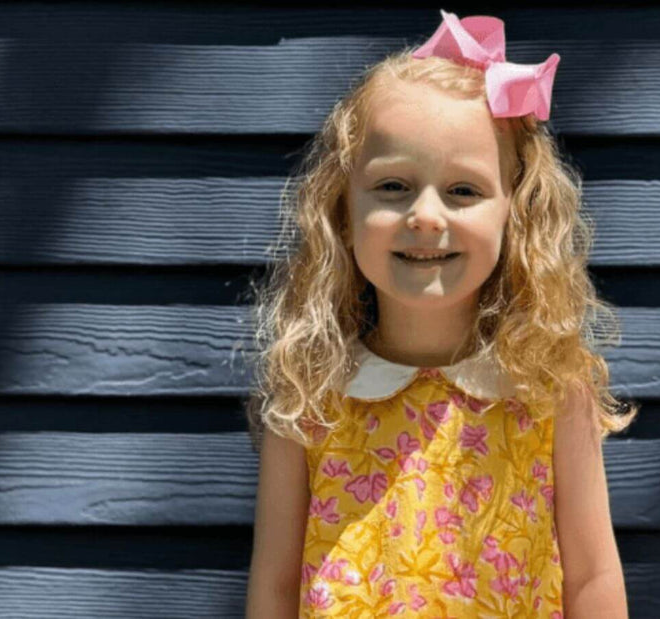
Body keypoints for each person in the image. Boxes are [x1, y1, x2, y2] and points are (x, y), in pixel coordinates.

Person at [244, 9, 639, 617]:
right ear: (341, 210)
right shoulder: (309, 393)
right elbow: (274, 585)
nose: (426, 216)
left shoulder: (549, 387)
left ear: (517, 211)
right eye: (394, 187)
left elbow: (591, 576)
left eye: (463, 191)